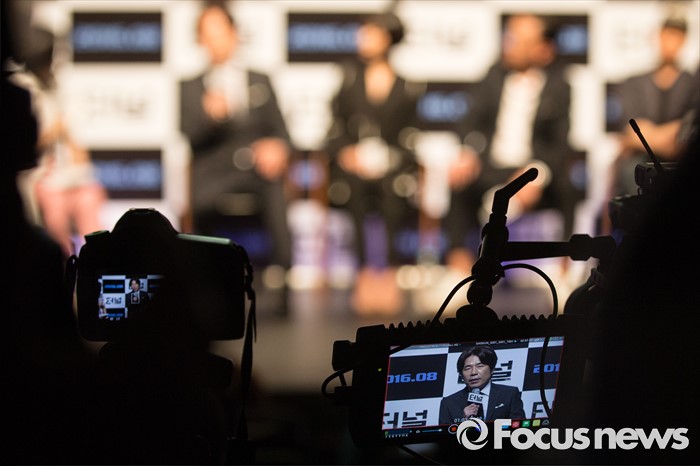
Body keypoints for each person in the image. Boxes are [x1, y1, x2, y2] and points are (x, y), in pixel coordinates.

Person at [444, 14, 575, 276]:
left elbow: (559, 144)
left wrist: (535, 176)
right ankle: (459, 268)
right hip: (492, 166)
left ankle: (565, 269)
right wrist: (467, 152)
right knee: (459, 183)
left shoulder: (560, 86)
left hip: (531, 169)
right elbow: (469, 122)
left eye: (517, 40)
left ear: (543, 50)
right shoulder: (493, 76)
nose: (508, 45)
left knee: (568, 188)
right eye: (508, 37)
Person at [179, 0, 293, 275]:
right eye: (209, 35)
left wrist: (277, 147)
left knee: (275, 186)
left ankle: (281, 275)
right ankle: (201, 273)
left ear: (234, 34)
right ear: (200, 40)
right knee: (199, 198)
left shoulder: (260, 79)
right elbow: (189, 136)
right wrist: (210, 118)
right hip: (214, 172)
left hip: (257, 170)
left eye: (220, 33)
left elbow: (281, 131)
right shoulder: (190, 87)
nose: (216, 42)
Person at [323, 11, 424, 315]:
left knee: (394, 194)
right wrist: (348, 153)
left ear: (388, 38)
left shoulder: (406, 86)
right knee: (354, 192)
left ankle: (389, 272)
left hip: (391, 168)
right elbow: (335, 129)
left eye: (371, 33)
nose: (363, 39)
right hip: (353, 168)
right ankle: (363, 273)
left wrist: (391, 157)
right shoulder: (348, 80)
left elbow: (411, 135)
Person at [13, 25, 107, 258]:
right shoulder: (22, 87)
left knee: (91, 204)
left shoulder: (59, 84)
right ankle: (61, 271)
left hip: (73, 175)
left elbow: (77, 143)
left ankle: (97, 268)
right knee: (55, 227)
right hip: (44, 179)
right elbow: (25, 146)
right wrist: (54, 131)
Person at [605, 16, 698, 207]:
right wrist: (671, 135)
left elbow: (686, 133)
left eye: (676, 36)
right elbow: (632, 132)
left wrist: (651, 135)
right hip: (639, 162)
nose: (670, 43)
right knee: (632, 170)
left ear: (684, 40)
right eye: (667, 35)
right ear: (658, 37)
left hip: (682, 163)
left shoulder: (693, 84)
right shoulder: (634, 83)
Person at [439, 345, 525, 425]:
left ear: (492, 369)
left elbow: (519, 429)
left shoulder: (509, 394)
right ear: (461, 374)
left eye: (480, 366)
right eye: (467, 368)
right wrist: (463, 421)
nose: (473, 372)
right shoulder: (448, 403)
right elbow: (445, 435)